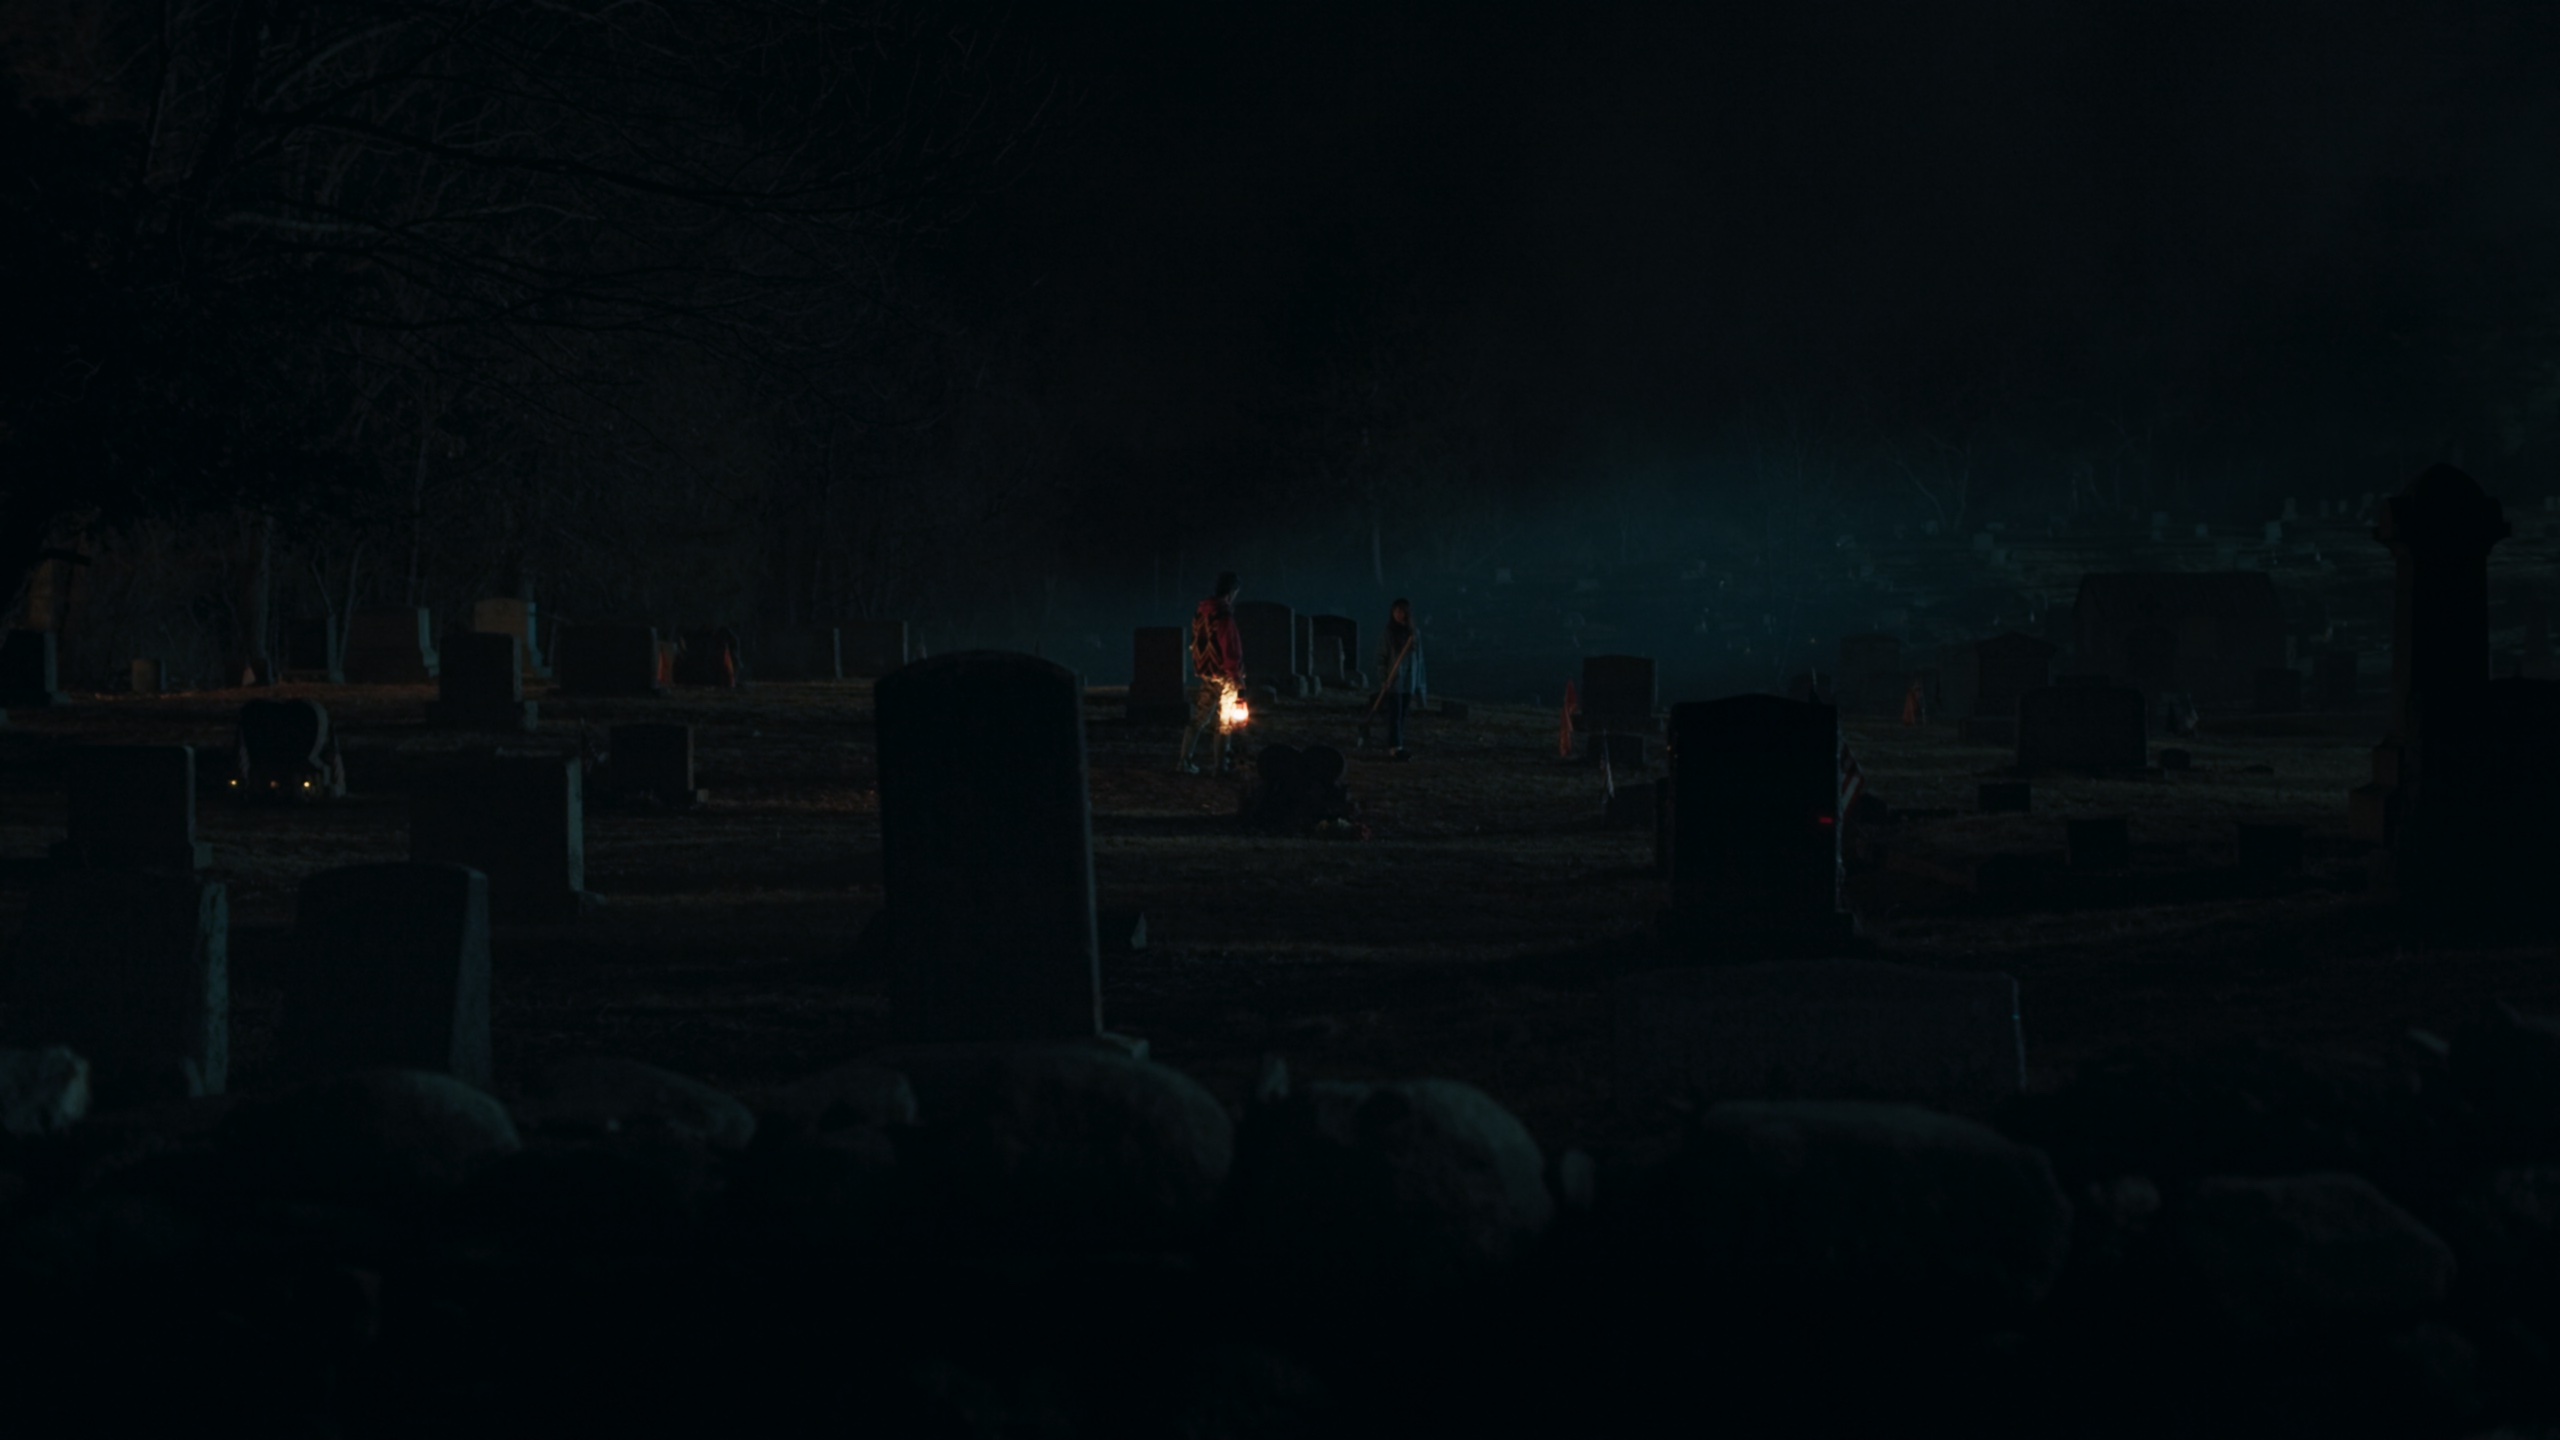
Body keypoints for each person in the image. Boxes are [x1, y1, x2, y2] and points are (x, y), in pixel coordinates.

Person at [1179, 572, 1244, 774]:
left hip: (1207, 673)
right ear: (1232, 592)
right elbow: (1231, 649)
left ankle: (1184, 761)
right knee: (1224, 722)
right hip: (1226, 675)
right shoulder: (1223, 615)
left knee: (1199, 717)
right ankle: (1221, 766)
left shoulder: (1202, 612)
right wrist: (1238, 680)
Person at [1375, 596, 1421, 759]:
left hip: (1408, 682)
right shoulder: (1388, 633)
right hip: (1394, 681)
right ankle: (1395, 748)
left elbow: (1418, 661)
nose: (1398, 614)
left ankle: (1398, 745)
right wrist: (1383, 679)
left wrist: (1419, 685)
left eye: (1401, 611)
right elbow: (1382, 658)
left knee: (1401, 716)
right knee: (1395, 714)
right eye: (1396, 611)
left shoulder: (1413, 634)